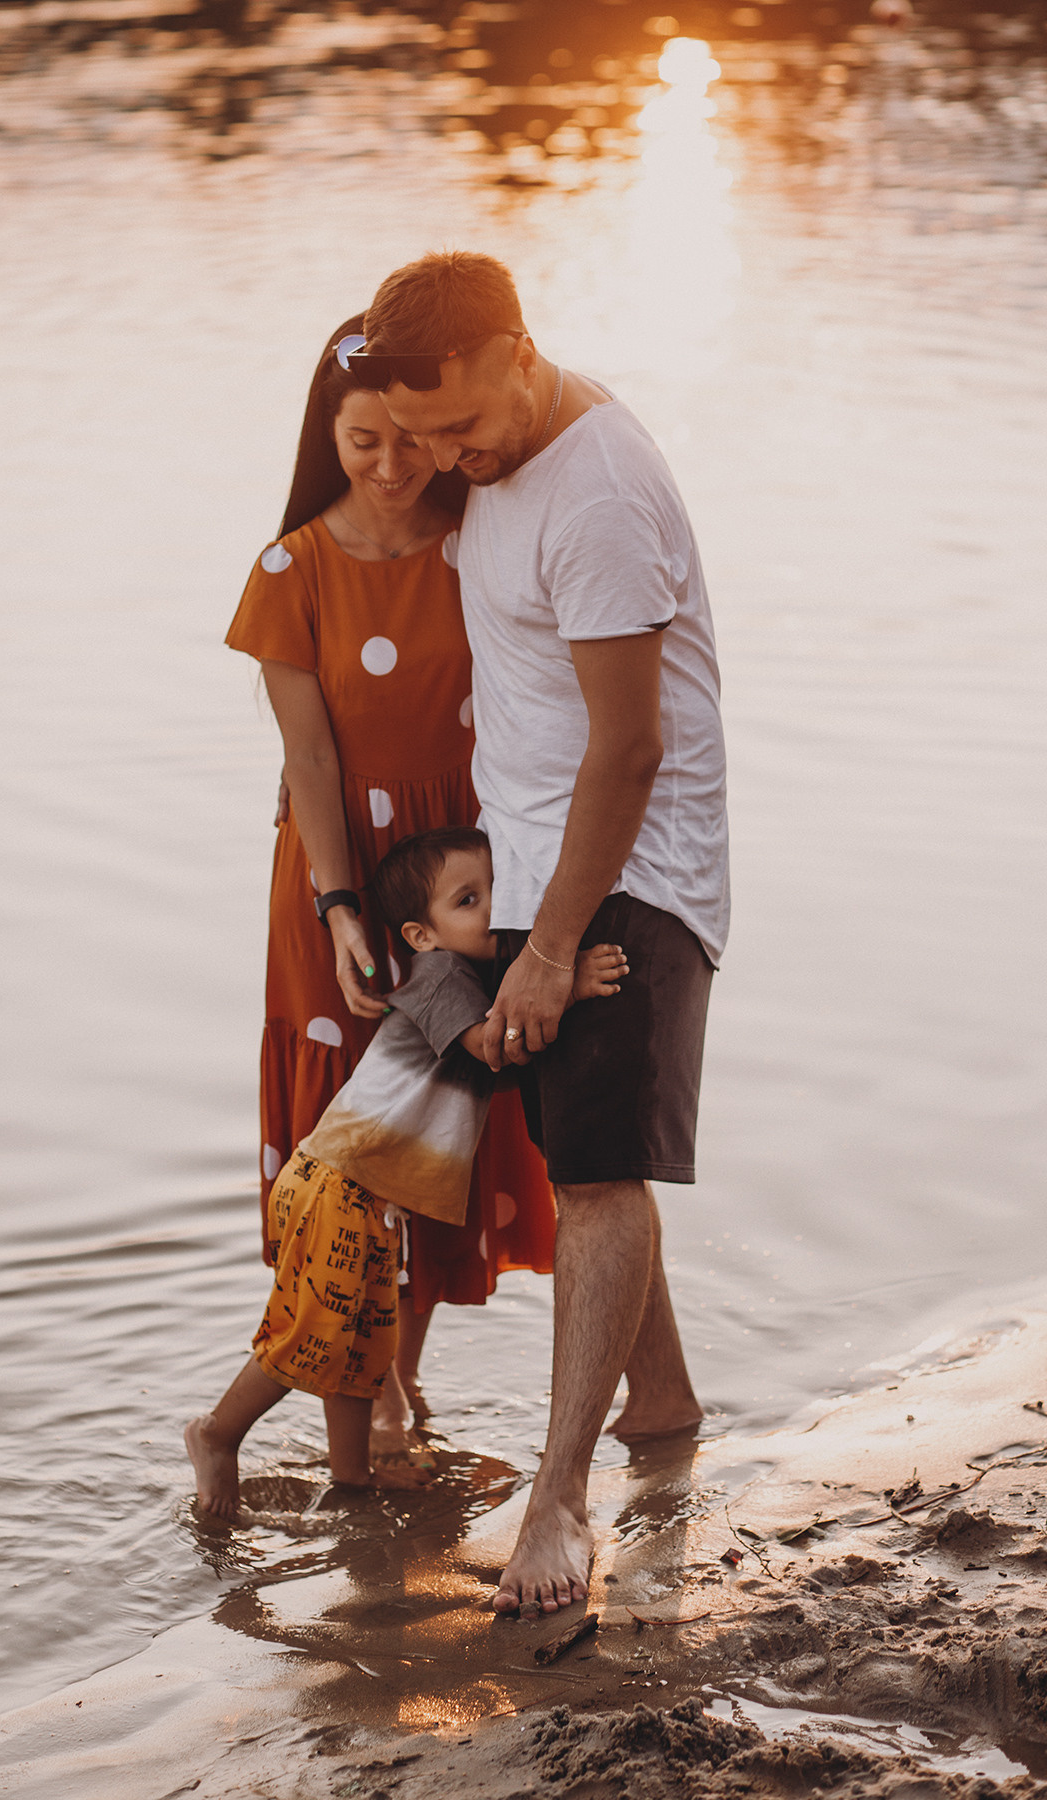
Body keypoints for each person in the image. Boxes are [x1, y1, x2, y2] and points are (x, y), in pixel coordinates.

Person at [354, 252, 730, 1616]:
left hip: (628, 871)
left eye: (456, 425)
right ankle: (664, 1401)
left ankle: (563, 1498)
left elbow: (629, 749)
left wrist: (557, 945)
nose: (447, 456)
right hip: (538, 869)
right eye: (425, 433)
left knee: (596, 1183)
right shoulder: (500, 453)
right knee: (586, 1146)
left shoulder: (599, 488)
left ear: (520, 347)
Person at [223, 312, 557, 1445]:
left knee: (443, 1129)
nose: (390, 464)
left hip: (460, 877)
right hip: (342, 878)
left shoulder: (479, 541)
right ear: (330, 434)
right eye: (363, 440)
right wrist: (340, 908)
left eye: (408, 440)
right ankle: (348, 1421)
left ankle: (398, 1382)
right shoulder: (291, 568)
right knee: (348, 1154)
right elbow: (309, 757)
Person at [184, 827, 626, 1514]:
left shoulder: (478, 980)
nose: (490, 908)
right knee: (314, 1335)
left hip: (370, 1198)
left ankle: (352, 1483)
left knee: (361, 1350)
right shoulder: (441, 980)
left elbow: (494, 1066)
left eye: (495, 891)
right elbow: (489, 1046)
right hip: (338, 1180)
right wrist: (567, 988)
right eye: (468, 899)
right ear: (422, 935)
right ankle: (217, 1434)